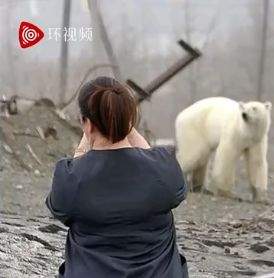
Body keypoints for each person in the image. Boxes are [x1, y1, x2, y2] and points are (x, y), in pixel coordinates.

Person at [45, 76, 188, 278]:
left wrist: (90, 135)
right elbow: (152, 160)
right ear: (129, 118)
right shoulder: (164, 167)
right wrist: (124, 125)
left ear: (86, 123)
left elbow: (62, 204)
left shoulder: (69, 177)